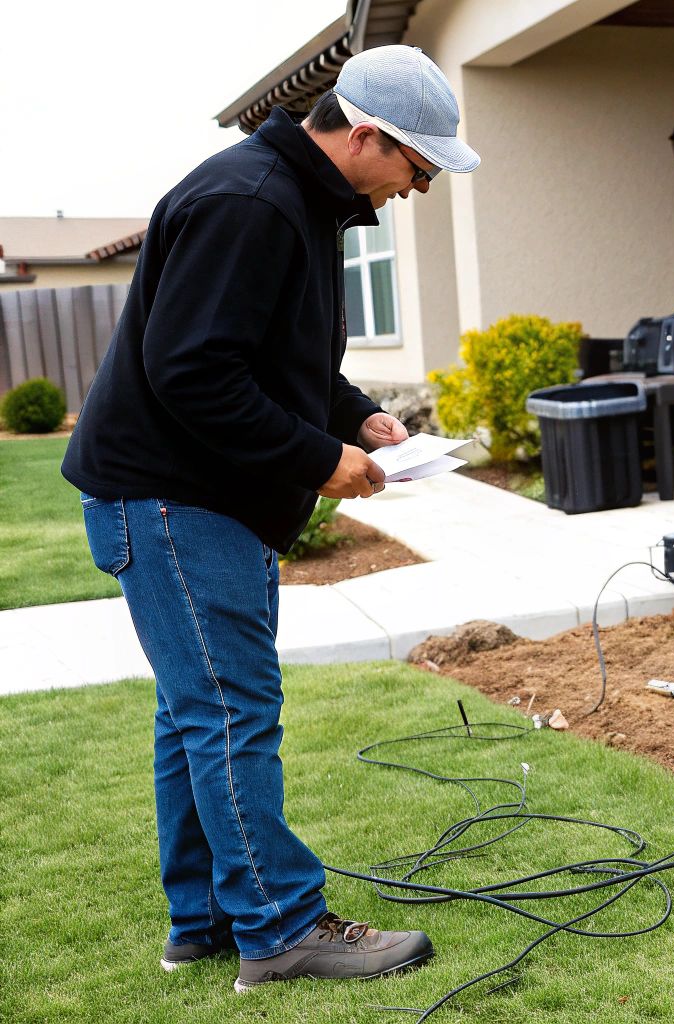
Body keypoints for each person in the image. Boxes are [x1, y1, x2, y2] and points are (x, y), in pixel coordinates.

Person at [61, 45, 479, 993]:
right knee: (230, 713)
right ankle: (284, 931)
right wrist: (319, 460)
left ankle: (205, 923)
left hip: (182, 500)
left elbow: (264, 352)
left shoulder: (293, 200)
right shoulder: (250, 204)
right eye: (418, 166)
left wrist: (350, 415)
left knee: (193, 716)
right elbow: (194, 374)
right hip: (174, 501)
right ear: (365, 136)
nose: (418, 188)